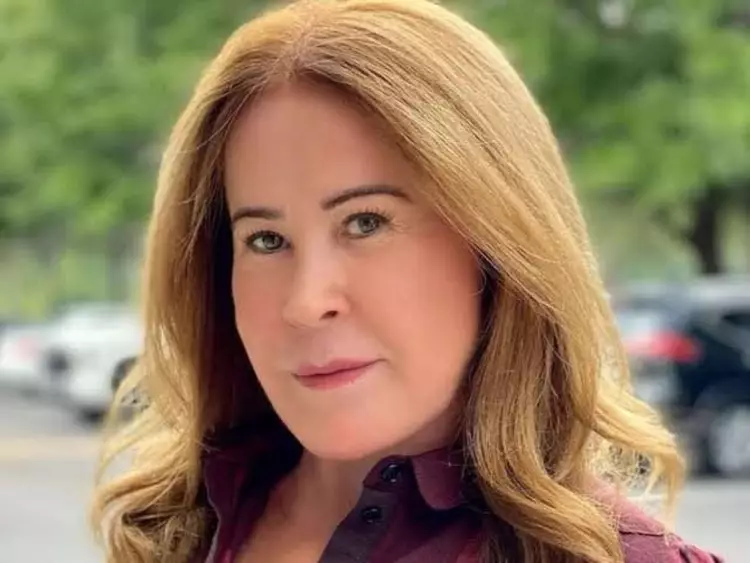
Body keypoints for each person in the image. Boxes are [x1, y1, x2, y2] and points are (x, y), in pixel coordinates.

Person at [91, 1, 724, 562]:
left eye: (366, 222)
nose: (306, 302)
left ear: (496, 242)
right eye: (265, 240)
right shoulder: (173, 532)